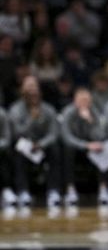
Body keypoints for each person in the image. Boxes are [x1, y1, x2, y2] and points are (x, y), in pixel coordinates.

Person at [8, 76, 67, 207]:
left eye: (34, 88)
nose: (32, 92)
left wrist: (41, 144)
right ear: (22, 91)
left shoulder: (48, 109)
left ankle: (53, 191)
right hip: (24, 144)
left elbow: (53, 133)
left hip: (42, 145)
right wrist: (32, 120)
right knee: (18, 151)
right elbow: (16, 133)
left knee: (55, 149)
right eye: (29, 88)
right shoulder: (15, 109)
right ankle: (22, 191)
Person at [60, 87, 108, 204]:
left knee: (105, 146)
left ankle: (104, 188)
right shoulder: (67, 112)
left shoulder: (95, 112)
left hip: (91, 147)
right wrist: (85, 145)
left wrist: (90, 121)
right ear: (75, 101)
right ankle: (70, 189)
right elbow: (66, 137)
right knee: (68, 150)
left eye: (86, 101)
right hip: (75, 146)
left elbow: (100, 135)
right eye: (81, 100)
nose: (84, 103)